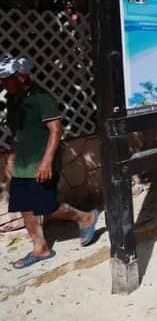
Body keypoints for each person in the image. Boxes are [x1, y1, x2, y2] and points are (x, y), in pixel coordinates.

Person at [1, 56, 99, 269]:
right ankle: (41, 248)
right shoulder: (13, 100)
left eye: (7, 78)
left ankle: (85, 217)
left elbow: (55, 130)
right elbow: (17, 132)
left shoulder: (41, 98)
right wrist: (11, 156)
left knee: (46, 206)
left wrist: (46, 162)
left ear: (22, 76)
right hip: (23, 162)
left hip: (41, 161)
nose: (3, 83)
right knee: (25, 207)